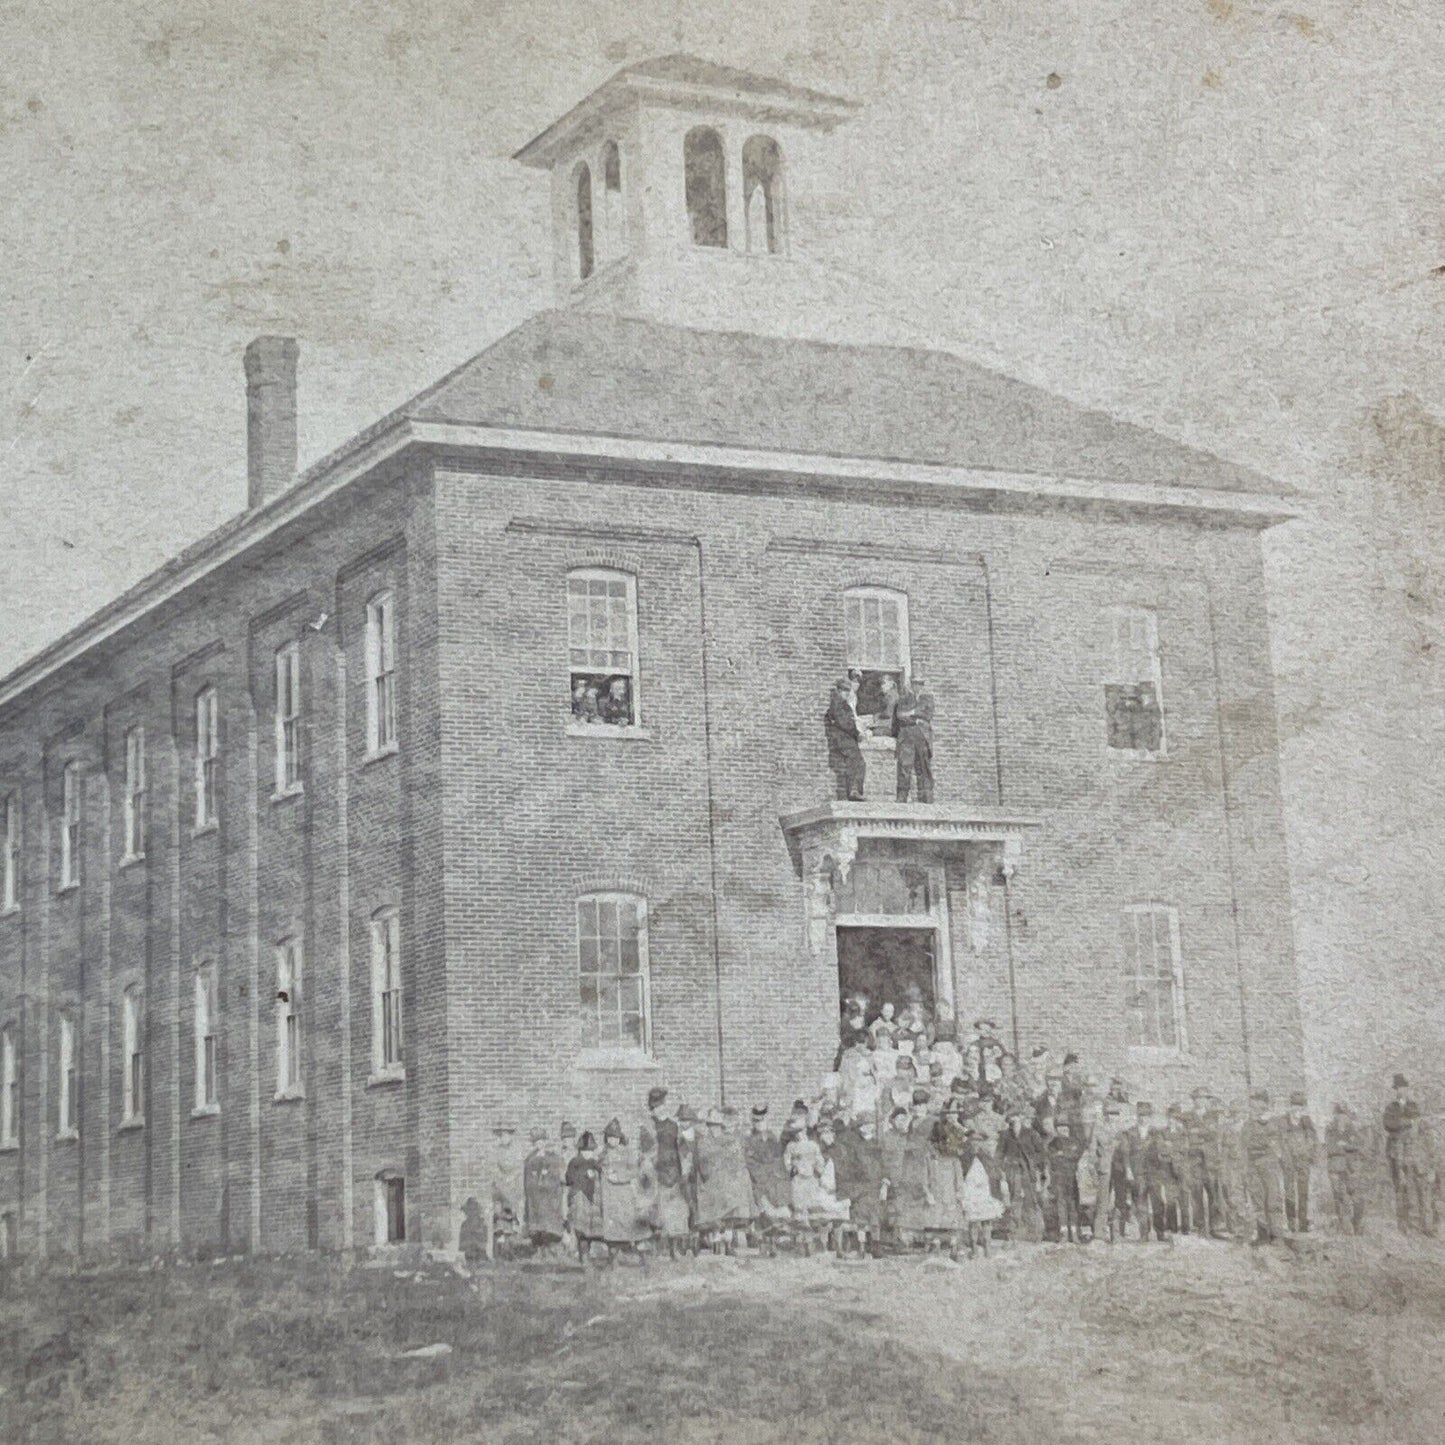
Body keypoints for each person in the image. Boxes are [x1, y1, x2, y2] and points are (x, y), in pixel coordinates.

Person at [640, 1087, 694, 1258]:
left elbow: (684, 1148)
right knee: (658, 1210)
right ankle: (656, 1247)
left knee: (676, 1211)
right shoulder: (647, 1127)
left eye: (660, 1107)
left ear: (665, 1106)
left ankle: (674, 1248)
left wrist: (685, 1167)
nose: (658, 1110)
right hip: (657, 1172)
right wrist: (649, 1168)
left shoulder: (674, 1126)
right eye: (654, 1108)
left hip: (674, 1172)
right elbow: (645, 1152)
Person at [694, 1107, 755, 1252]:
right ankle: (714, 1239)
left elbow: (737, 1160)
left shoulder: (728, 1140)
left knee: (732, 1204)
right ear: (708, 1126)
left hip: (726, 1182)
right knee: (715, 1206)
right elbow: (704, 1163)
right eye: (712, 1126)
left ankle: (728, 1240)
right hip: (710, 1182)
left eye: (718, 1126)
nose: (716, 1130)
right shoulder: (704, 1141)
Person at [832, 1115, 885, 1256]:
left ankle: (876, 1246)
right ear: (860, 1128)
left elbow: (883, 1164)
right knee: (861, 1219)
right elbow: (851, 1167)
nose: (869, 1127)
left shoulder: (877, 1144)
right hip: (861, 1187)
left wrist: (884, 1181)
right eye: (866, 1125)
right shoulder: (855, 1146)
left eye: (871, 1125)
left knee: (875, 1218)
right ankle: (861, 1247)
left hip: (875, 1185)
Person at [1383, 1073, 1429, 1235]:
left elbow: (1417, 1120)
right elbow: (1389, 1124)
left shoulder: (1412, 1105)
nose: (1401, 1091)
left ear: (1407, 1089)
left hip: (1412, 1152)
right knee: (1400, 1187)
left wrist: (1405, 1120)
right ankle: (1404, 1225)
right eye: (1398, 1088)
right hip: (1396, 1152)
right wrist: (1406, 1122)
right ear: (1395, 1090)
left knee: (1416, 1187)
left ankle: (1422, 1225)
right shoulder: (1391, 1107)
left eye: (1403, 1088)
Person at [598, 1118, 650, 1259]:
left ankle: (643, 1259)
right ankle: (613, 1260)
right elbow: (600, 1170)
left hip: (624, 1195)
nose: (612, 1140)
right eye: (609, 1137)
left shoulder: (627, 1152)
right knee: (612, 1230)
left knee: (629, 1225)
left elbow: (634, 1171)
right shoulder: (603, 1153)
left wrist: (619, 1177)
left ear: (619, 1138)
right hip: (609, 1197)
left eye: (615, 1137)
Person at [1241, 1090, 1287, 1244]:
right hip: (1253, 1166)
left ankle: (1277, 1234)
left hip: (1269, 1165)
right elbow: (1245, 1144)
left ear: (1265, 1106)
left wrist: (1261, 1142)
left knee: (1273, 1199)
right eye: (1252, 1107)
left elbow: (1274, 1144)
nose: (1254, 1110)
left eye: (1259, 1106)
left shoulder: (1273, 1124)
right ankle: (1263, 1234)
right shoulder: (1248, 1125)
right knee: (1258, 1200)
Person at [998, 1109, 1048, 1242]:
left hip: (1028, 1170)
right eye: (1011, 1120)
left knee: (1032, 1200)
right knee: (1015, 1200)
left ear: (1021, 1118)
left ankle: (1036, 1233)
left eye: (1016, 1119)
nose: (1013, 1122)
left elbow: (1041, 1153)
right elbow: (999, 1154)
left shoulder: (1031, 1134)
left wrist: (1034, 1164)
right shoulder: (1005, 1135)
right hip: (1013, 1171)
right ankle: (1013, 1234)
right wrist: (1003, 1168)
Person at [744, 1105, 792, 1226]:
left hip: (775, 1179)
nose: (760, 1123)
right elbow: (750, 1163)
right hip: (759, 1181)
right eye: (756, 1121)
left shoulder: (772, 1137)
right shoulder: (749, 1140)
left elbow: (778, 1160)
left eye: (762, 1120)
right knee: (765, 1200)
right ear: (753, 1121)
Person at [1117, 1102, 1158, 1241]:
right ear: (1137, 1116)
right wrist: (1128, 1170)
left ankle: (1160, 1232)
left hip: (1154, 1172)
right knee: (1140, 1201)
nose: (1143, 1118)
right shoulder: (1130, 1133)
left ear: (1150, 1117)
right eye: (1141, 1115)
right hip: (1137, 1171)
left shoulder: (1156, 1132)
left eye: (1146, 1115)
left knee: (1157, 1202)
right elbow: (1125, 1153)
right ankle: (1144, 1233)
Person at [1325, 1101, 1367, 1236]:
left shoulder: (1353, 1130)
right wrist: (1346, 1148)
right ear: (1335, 1116)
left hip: (1351, 1167)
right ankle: (1344, 1225)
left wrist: (1345, 1147)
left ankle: (1357, 1224)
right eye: (1339, 1116)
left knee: (1356, 1196)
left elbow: (1362, 1146)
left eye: (1345, 1116)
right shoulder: (1330, 1129)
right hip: (1335, 1167)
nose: (1342, 1119)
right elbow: (1329, 1148)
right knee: (1339, 1196)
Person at [522, 1124, 567, 1250]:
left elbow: (558, 1177)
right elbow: (527, 1181)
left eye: (541, 1141)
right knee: (537, 1224)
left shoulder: (553, 1158)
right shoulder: (530, 1159)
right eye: (537, 1142)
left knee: (549, 1223)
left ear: (545, 1142)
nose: (539, 1144)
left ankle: (550, 1248)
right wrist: (535, 1180)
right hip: (536, 1196)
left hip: (549, 1196)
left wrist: (548, 1178)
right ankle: (539, 1249)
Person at [893, 670, 935, 803]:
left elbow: (927, 715)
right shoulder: (904, 699)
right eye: (915, 683)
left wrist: (911, 713)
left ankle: (926, 797)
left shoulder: (928, 699)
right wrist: (915, 718)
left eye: (920, 684)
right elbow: (900, 716)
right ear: (911, 685)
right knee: (905, 766)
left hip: (922, 736)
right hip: (907, 736)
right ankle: (902, 797)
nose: (918, 686)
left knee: (923, 766)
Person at [1281, 1092, 1319, 1233]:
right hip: (1288, 1162)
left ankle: (1303, 1222)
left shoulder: (1307, 1121)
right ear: (1290, 1107)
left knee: (1303, 1193)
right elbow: (1279, 1142)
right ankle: (1291, 1222)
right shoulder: (1283, 1121)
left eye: (1300, 1107)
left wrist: (1310, 1155)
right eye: (1295, 1107)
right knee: (1289, 1192)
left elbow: (1313, 1139)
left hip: (1303, 1162)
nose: (1297, 1110)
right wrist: (1283, 1157)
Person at [824, 675, 866, 801]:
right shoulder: (839, 704)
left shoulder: (840, 704)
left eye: (848, 691)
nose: (846, 693)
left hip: (844, 739)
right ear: (838, 690)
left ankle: (850, 792)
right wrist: (857, 733)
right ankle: (854, 791)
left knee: (851, 766)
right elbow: (844, 723)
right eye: (844, 690)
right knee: (858, 763)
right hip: (844, 740)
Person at [565, 1132, 604, 1262]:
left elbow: (602, 1176)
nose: (587, 1154)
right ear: (580, 1151)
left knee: (592, 1227)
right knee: (580, 1226)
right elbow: (569, 1178)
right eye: (585, 1151)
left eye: (590, 1151)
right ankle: (583, 1253)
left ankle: (590, 1251)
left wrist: (596, 1175)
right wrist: (584, 1175)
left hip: (594, 1199)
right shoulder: (575, 1162)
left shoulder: (596, 1163)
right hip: (579, 1196)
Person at [1048, 1120, 1085, 1243]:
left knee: (1073, 1204)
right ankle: (1063, 1232)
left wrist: (1063, 1154)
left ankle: (1074, 1233)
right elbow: (1052, 1158)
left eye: (1066, 1127)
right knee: (1061, 1204)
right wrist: (1066, 1154)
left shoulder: (1075, 1142)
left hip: (1072, 1177)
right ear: (1057, 1130)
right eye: (1060, 1127)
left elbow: (1076, 1155)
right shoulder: (1053, 1143)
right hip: (1059, 1177)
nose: (1064, 1130)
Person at [458, 1196, 488, 1270]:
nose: (471, 1213)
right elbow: (461, 1246)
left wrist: (475, 1241)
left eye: (474, 1210)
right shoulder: (464, 1225)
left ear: (477, 1211)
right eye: (469, 1210)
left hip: (481, 1258)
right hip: (469, 1258)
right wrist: (469, 1242)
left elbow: (484, 1244)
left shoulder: (483, 1225)